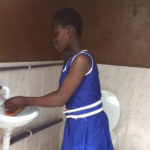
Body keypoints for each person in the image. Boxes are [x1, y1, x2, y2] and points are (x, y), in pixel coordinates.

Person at [5, 8, 114, 150]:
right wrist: (25, 102)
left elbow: (60, 98)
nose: (53, 39)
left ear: (69, 31)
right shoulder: (71, 61)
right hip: (78, 124)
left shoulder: (81, 59)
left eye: (55, 34)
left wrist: (25, 100)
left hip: (89, 126)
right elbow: (60, 93)